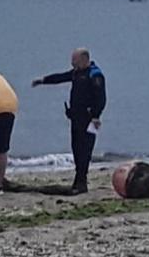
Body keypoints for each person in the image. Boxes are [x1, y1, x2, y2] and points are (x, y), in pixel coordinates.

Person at [32, 48, 106, 194]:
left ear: (84, 59)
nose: (72, 63)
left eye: (75, 60)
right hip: (76, 118)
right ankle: (78, 181)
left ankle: (81, 182)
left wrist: (96, 116)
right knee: (76, 149)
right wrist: (43, 80)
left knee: (85, 150)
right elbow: (60, 77)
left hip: (89, 119)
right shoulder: (76, 73)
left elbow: (101, 98)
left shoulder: (95, 74)